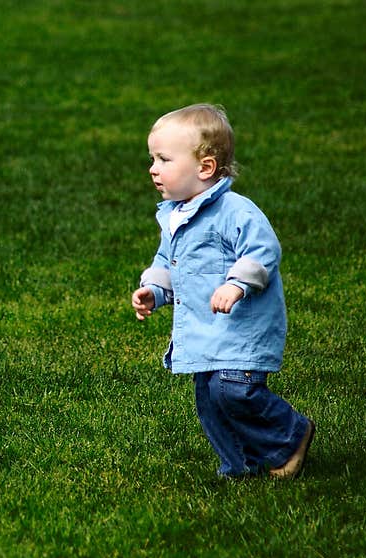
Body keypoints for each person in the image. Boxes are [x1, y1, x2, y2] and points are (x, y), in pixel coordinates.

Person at [131, 103, 315, 479]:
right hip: (204, 330)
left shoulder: (235, 211)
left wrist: (236, 284)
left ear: (205, 168)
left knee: (235, 392)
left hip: (241, 328)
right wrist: (154, 289)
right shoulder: (175, 215)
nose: (153, 168)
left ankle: (290, 434)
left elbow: (263, 251)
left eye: (164, 159)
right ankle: (242, 465)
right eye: (152, 158)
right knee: (211, 401)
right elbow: (169, 260)